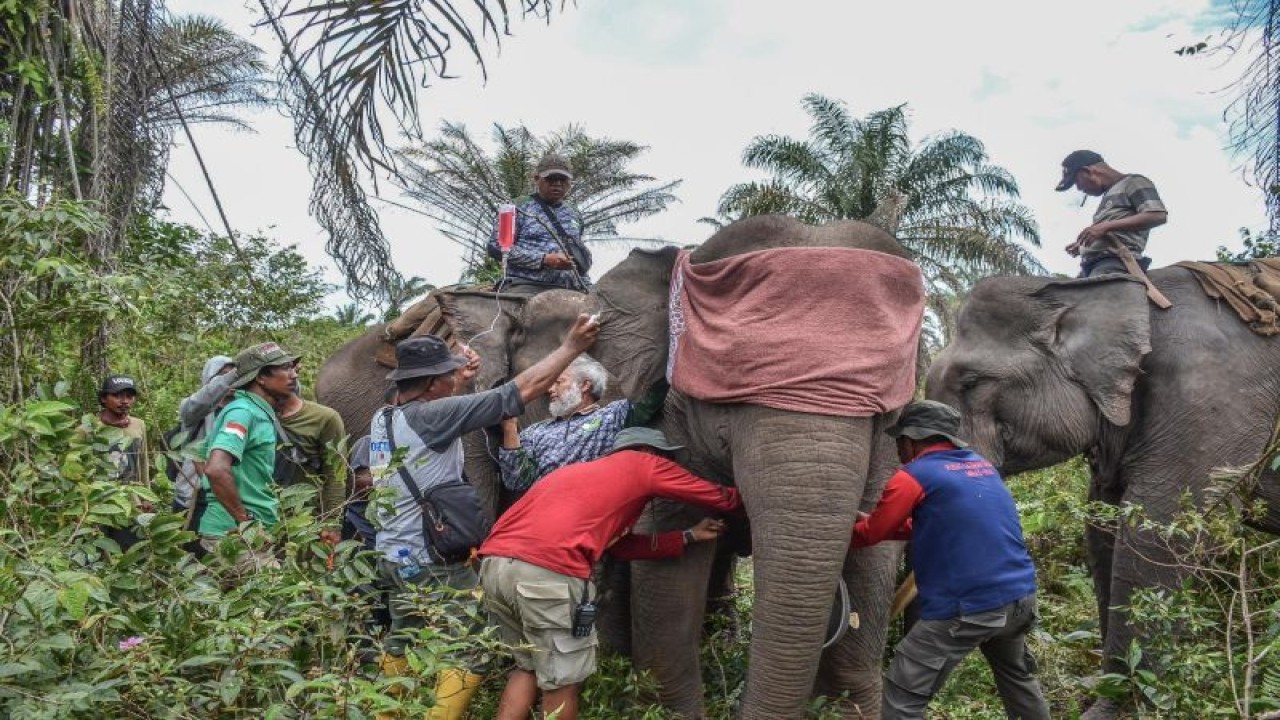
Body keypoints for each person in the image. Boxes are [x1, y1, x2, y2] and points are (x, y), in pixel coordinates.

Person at [367, 314, 600, 720]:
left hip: (392, 554)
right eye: (446, 375)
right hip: (432, 561)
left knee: (402, 638)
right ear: (431, 384)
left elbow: (452, 416)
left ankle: (386, 712)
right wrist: (571, 348)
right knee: (472, 645)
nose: (451, 378)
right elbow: (520, 390)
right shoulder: (432, 416)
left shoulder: (384, 417)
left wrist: (465, 381)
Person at [479, 427, 742, 720]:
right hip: (546, 572)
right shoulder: (644, 464)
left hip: (495, 566)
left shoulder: (582, 474)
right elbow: (723, 498)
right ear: (650, 452)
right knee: (563, 678)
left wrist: (688, 536)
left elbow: (623, 547)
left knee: (528, 666)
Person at [852, 400, 1050, 720]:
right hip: (1019, 599)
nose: (899, 450)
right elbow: (944, 522)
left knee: (903, 692)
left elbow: (872, 533)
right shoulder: (982, 467)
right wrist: (877, 525)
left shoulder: (913, 475)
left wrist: (846, 529)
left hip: (968, 608)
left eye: (899, 441)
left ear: (912, 440)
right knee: (1019, 681)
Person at [198, 342, 300, 574]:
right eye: (284, 368)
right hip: (234, 536)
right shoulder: (243, 412)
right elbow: (215, 469)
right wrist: (245, 521)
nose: (293, 374)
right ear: (261, 378)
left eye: (292, 367)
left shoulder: (258, 411)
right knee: (281, 598)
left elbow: (200, 453)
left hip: (249, 535)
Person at [497, 354, 630, 492]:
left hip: (592, 502)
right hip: (544, 506)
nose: (550, 390)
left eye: (558, 382)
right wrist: (509, 428)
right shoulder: (534, 431)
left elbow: (647, 400)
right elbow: (517, 483)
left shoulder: (612, 416)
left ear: (584, 385)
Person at [488, 153, 592, 293]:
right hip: (526, 285)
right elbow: (496, 247)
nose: (557, 184)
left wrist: (588, 286)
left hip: (569, 287)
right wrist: (543, 259)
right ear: (537, 179)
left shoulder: (574, 215)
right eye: (551, 179)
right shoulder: (518, 207)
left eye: (563, 179)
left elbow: (577, 257)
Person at [1056, 149, 1168, 278]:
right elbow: (1111, 229)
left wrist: (1104, 227)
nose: (1079, 189)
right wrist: (1083, 245)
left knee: (1094, 296)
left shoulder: (1133, 182)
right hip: (1093, 264)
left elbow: (1157, 215)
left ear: (1087, 171)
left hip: (1116, 261)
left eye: (1076, 182)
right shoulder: (1109, 195)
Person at [276, 377, 347, 545]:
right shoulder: (249, 416)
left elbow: (336, 475)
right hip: (261, 522)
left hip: (307, 522)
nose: (291, 374)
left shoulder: (324, 418)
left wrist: (331, 524)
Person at [172, 355, 237, 524]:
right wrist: (231, 377)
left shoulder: (241, 410)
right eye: (222, 374)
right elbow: (204, 398)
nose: (229, 379)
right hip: (194, 493)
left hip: (229, 493)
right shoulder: (193, 408)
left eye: (233, 374)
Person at [95, 374, 151, 550]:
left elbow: (142, 462)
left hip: (130, 501)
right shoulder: (89, 428)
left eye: (129, 396)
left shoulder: (138, 425)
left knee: (130, 551)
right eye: (117, 396)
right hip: (98, 501)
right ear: (104, 399)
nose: (124, 401)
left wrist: (146, 496)